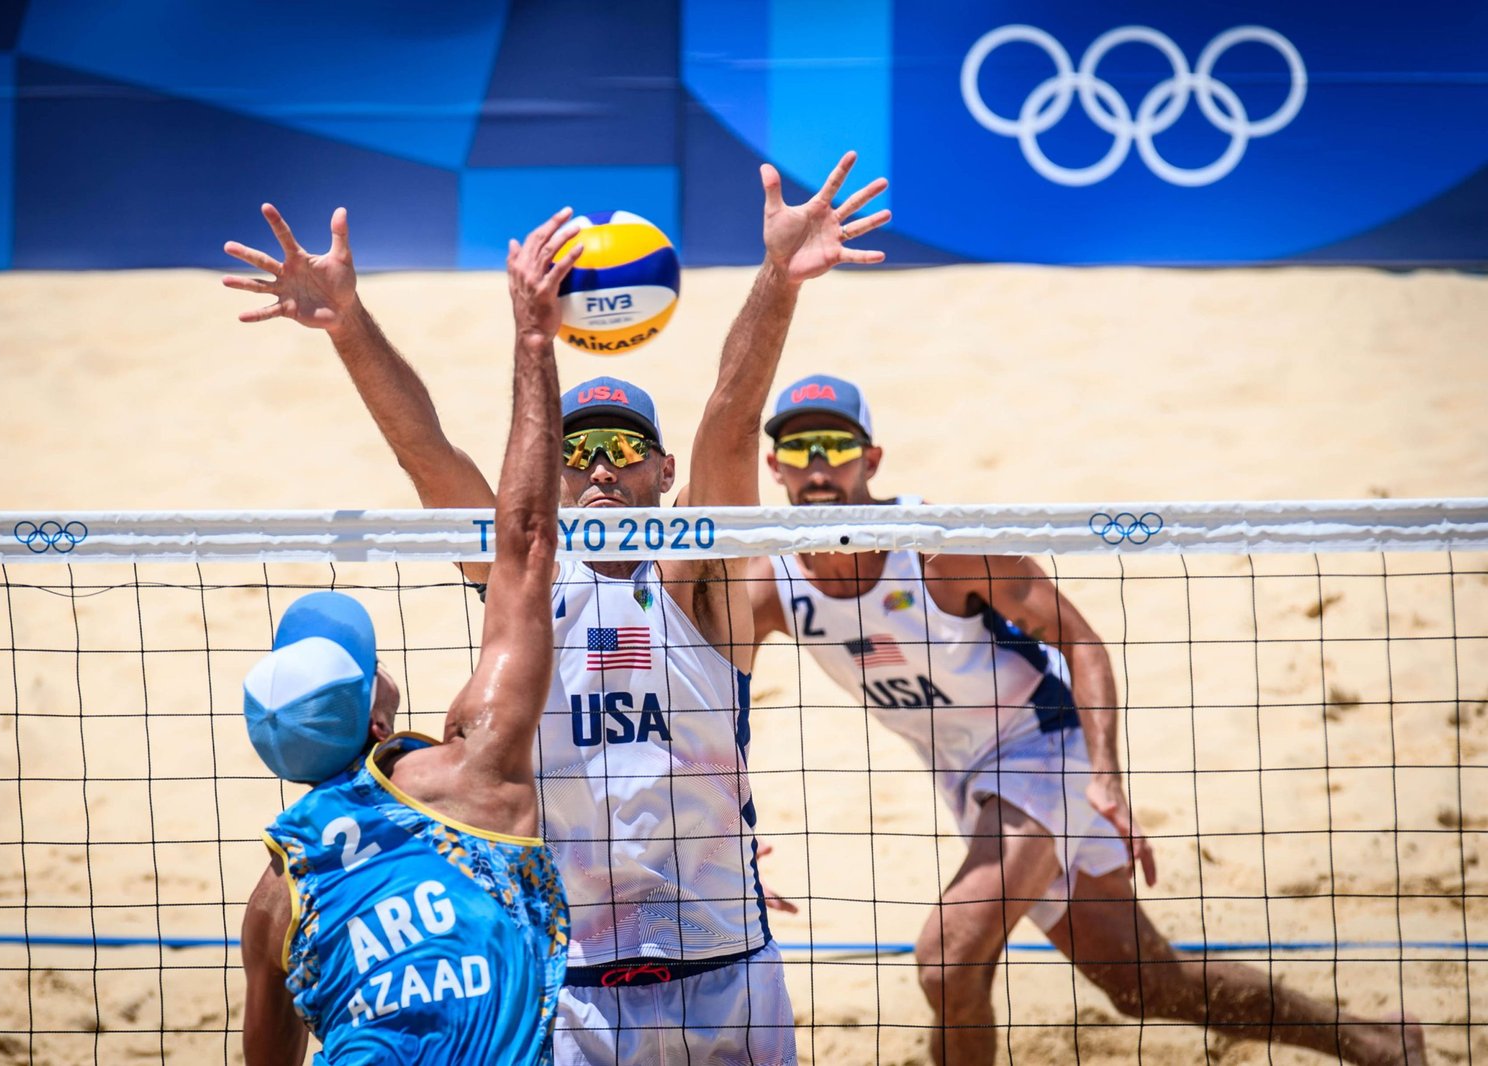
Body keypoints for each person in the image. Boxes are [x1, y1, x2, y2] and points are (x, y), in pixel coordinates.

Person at [223, 153, 890, 1065]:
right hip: (570, 986)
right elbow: (430, 455)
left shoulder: (704, 587)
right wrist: (350, 327)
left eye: (625, 448)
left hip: (727, 971)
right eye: (579, 452)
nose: (603, 467)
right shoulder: (524, 593)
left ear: (664, 475)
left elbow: (731, 421)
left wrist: (777, 279)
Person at [748, 374, 1429, 1066]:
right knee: (1144, 985)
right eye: (799, 449)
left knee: (947, 961)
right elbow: (707, 694)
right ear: (773, 465)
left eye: (836, 445)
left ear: (872, 459)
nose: (819, 465)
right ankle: (1379, 1042)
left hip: (1048, 749)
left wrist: (1105, 775)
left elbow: (1083, 641)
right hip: (971, 780)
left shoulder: (940, 550)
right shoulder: (767, 579)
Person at [236, 216, 580, 1065]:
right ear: (378, 722)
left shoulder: (275, 899)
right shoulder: (472, 774)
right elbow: (529, 540)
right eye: (369, 666)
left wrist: (347, 325)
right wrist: (535, 341)